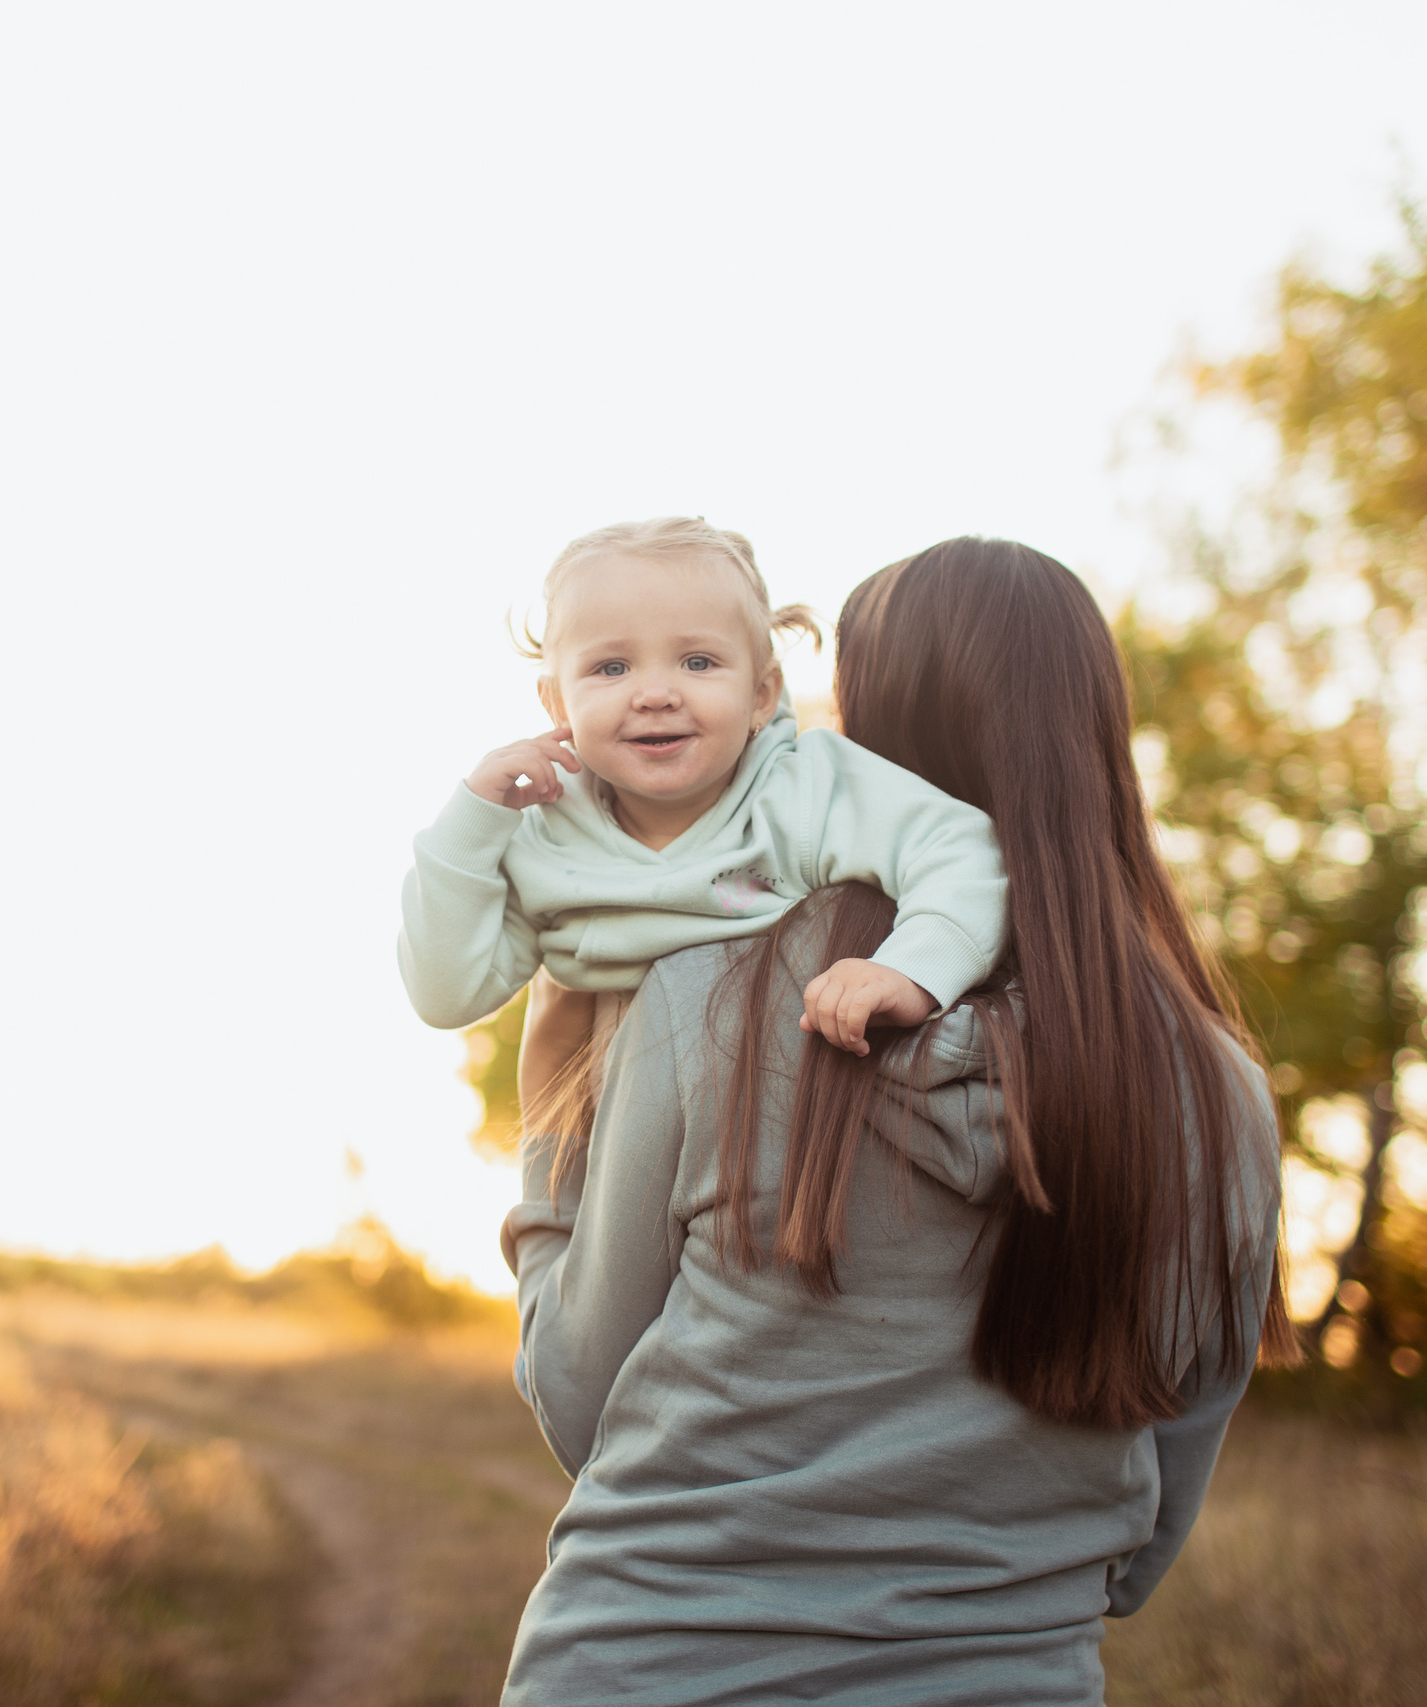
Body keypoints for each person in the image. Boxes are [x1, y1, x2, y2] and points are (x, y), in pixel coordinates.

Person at [499, 537, 1297, 1705]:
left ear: (868, 745)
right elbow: (1144, 1539)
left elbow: (581, 1405)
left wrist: (547, 1145)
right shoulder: (1214, 1093)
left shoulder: (710, 1001)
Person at [397, 516, 1008, 1060]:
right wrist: (470, 822)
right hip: (597, 1157)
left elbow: (958, 850)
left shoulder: (801, 791)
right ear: (557, 701)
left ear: (761, 696)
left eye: (697, 662)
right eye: (612, 667)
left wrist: (910, 972)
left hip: (760, 1127)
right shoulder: (544, 835)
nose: (656, 693)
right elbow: (447, 996)